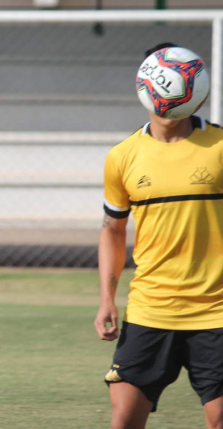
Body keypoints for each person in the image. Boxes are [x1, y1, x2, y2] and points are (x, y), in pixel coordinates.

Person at [94, 42, 223, 429]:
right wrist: (106, 300)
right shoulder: (123, 156)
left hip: (217, 312)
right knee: (125, 420)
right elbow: (112, 231)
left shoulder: (219, 147)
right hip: (151, 309)